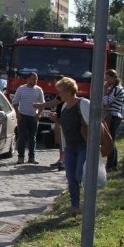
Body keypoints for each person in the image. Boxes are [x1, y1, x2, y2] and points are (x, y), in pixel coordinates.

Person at [48, 76, 87, 214]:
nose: (59, 94)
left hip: (83, 146)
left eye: (61, 91)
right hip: (70, 147)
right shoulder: (64, 106)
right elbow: (65, 126)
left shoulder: (83, 104)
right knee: (71, 177)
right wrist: (56, 120)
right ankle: (75, 205)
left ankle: (88, 202)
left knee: (79, 175)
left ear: (69, 91)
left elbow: (94, 124)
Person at [10, 72, 45, 164]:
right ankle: (20, 157)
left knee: (32, 138)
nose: (35, 81)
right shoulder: (21, 89)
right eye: (33, 79)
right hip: (23, 115)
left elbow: (42, 104)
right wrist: (17, 114)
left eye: (36, 79)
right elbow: (15, 102)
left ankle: (32, 157)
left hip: (34, 117)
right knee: (21, 137)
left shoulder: (39, 90)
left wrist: (39, 114)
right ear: (28, 79)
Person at [102, 69, 124, 171]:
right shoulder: (112, 88)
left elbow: (107, 103)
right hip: (110, 115)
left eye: (108, 78)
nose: (106, 81)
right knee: (110, 139)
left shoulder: (117, 89)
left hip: (114, 116)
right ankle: (112, 163)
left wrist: (104, 91)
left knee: (110, 140)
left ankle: (111, 164)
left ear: (113, 78)